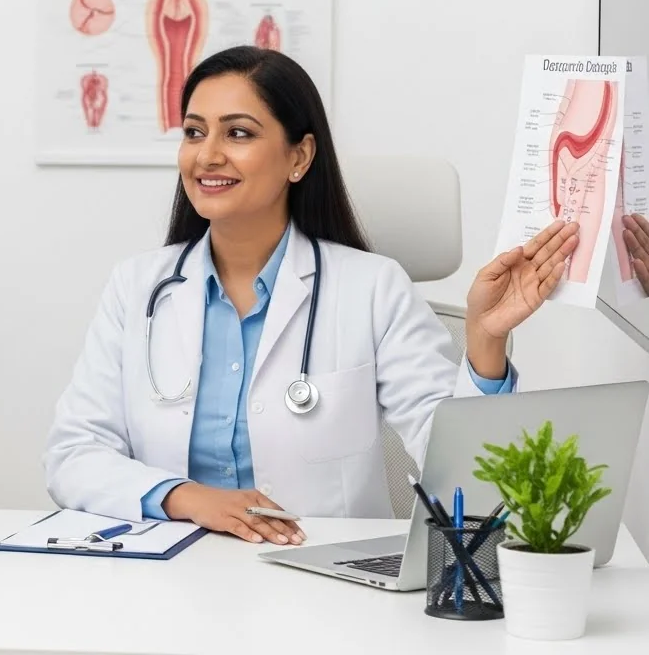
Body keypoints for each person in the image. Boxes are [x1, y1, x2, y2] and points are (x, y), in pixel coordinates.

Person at [43, 46, 578, 546]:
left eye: (238, 134)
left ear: (299, 157)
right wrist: (187, 499)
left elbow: (470, 481)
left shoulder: (372, 287)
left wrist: (485, 339)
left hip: (324, 575)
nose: (207, 155)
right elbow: (73, 455)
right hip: (171, 572)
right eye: (193, 132)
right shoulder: (137, 287)